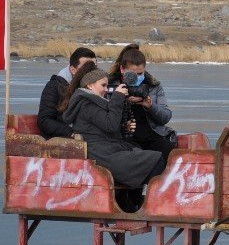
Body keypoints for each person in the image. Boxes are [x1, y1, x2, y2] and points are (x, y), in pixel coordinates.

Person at [60, 63, 166, 211]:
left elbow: (107, 128)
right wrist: (117, 98)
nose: (106, 89)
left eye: (107, 85)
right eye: (103, 85)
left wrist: (124, 127)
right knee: (156, 161)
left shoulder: (92, 101)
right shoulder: (86, 104)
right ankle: (141, 200)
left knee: (150, 155)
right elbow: (110, 124)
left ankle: (133, 200)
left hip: (106, 149)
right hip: (99, 154)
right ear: (90, 85)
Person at [106, 44, 177, 160]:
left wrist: (150, 106)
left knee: (168, 151)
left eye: (140, 74)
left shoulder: (153, 85)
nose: (137, 77)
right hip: (123, 138)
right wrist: (121, 100)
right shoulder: (109, 86)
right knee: (140, 157)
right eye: (133, 74)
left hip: (151, 136)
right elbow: (104, 117)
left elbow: (166, 117)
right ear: (122, 69)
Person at [38, 46, 96, 139]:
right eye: (86, 67)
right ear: (73, 70)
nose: (91, 71)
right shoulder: (54, 86)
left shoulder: (99, 87)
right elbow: (44, 121)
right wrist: (72, 133)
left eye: (93, 67)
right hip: (63, 141)